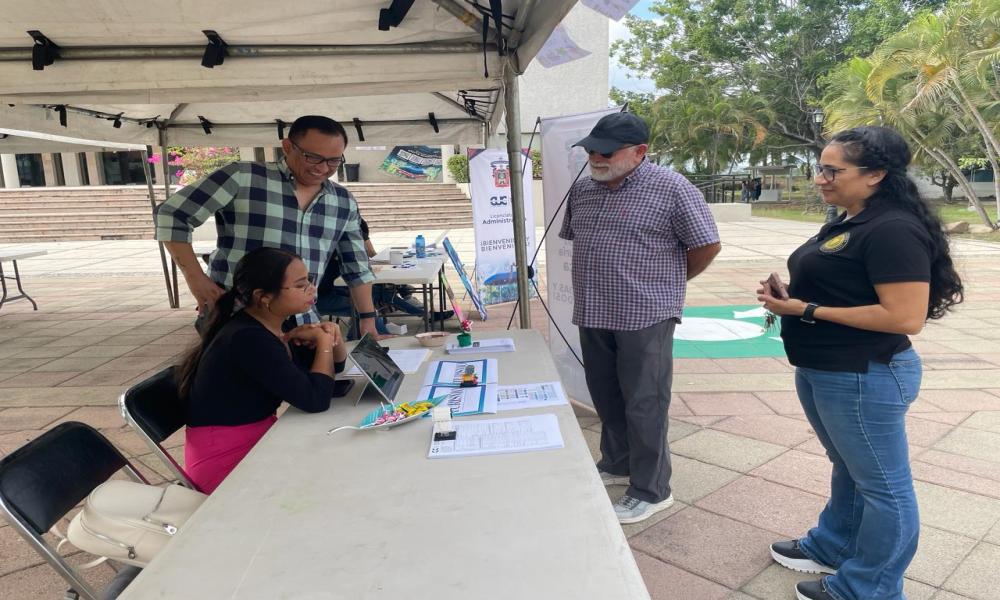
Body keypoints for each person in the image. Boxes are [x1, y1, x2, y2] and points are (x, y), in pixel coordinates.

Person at [758, 126, 963, 600]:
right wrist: (794, 297)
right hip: (827, 368)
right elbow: (848, 284)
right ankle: (834, 544)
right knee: (848, 465)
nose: (820, 178)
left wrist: (805, 310)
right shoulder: (855, 217)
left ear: (875, 174)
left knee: (884, 488)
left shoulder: (892, 229)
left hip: (863, 374)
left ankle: (870, 588)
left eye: (833, 170)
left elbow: (905, 316)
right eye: (820, 168)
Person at [558, 112, 721, 524]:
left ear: (639, 152)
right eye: (591, 149)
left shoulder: (673, 189)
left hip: (645, 314)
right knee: (606, 396)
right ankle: (617, 461)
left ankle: (652, 489)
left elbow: (707, 245)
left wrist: (666, 283)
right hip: (593, 310)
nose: (595, 157)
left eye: (606, 151)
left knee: (644, 403)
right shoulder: (582, 191)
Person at [154, 115, 381, 338]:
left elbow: (356, 267)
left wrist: (367, 320)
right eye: (313, 157)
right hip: (235, 317)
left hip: (302, 322)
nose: (323, 168)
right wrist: (196, 280)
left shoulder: (342, 200)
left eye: (333, 161)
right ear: (288, 147)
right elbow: (172, 215)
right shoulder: (243, 177)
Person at [176, 247, 347, 494]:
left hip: (258, 437)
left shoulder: (274, 324)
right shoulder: (249, 339)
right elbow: (315, 398)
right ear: (264, 296)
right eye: (300, 286)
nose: (311, 289)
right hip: (226, 460)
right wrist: (323, 344)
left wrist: (332, 336)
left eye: (309, 281)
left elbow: (333, 369)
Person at [315, 216, 453, 336]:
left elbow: (363, 261)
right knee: (366, 309)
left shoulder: (349, 236)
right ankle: (369, 339)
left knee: (385, 291)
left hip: (337, 288)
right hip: (323, 296)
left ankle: (426, 314)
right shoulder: (326, 250)